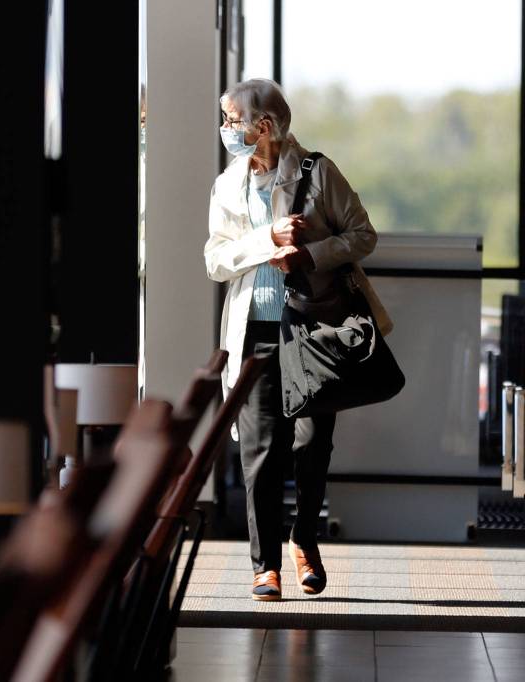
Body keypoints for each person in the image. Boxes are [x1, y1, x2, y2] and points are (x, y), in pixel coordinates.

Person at [204, 78, 391, 601]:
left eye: (232, 119)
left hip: (314, 327)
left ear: (263, 126)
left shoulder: (317, 172)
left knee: (312, 442)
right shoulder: (228, 184)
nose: (226, 129)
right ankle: (265, 565)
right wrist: (267, 241)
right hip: (256, 330)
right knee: (263, 449)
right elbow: (215, 260)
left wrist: (310, 253)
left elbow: (362, 235)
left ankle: (303, 539)